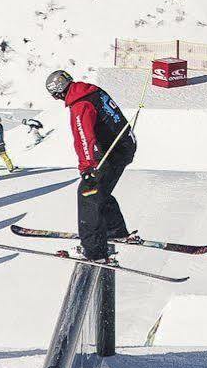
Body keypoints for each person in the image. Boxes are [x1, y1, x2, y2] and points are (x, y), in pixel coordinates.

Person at [47, 68, 138, 261]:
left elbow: (83, 138)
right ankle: (115, 230)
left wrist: (87, 168)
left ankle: (93, 250)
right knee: (101, 191)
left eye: (55, 96)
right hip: (123, 145)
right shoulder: (90, 91)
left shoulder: (80, 105)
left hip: (113, 151)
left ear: (58, 92)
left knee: (88, 193)